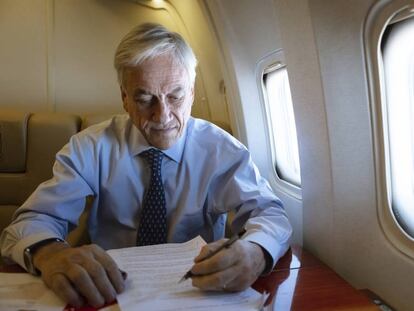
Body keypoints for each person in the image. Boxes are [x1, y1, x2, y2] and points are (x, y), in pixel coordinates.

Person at [0, 23, 292, 308]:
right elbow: (27, 223)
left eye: (175, 96)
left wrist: (256, 252)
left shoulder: (222, 151)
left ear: (191, 93)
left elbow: (271, 215)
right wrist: (49, 253)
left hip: (195, 293)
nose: (162, 115)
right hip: (109, 289)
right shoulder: (89, 148)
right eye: (144, 98)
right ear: (125, 99)